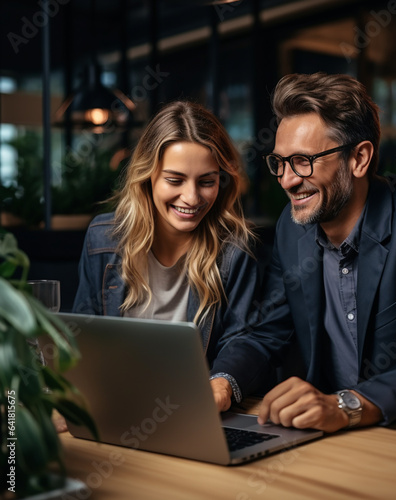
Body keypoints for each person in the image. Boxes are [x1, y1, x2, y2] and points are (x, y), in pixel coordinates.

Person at [211, 72, 396, 432]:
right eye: (280, 163)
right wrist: (222, 384)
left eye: (303, 161)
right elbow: (267, 333)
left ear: (359, 158)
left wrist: (343, 406)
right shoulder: (292, 226)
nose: (286, 180)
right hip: (347, 433)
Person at [72, 100, 260, 409]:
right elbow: (82, 334)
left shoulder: (234, 249)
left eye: (207, 182)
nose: (192, 197)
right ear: (148, 177)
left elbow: (242, 339)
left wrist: (222, 383)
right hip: (114, 406)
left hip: (191, 410)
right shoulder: (103, 238)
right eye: (175, 180)